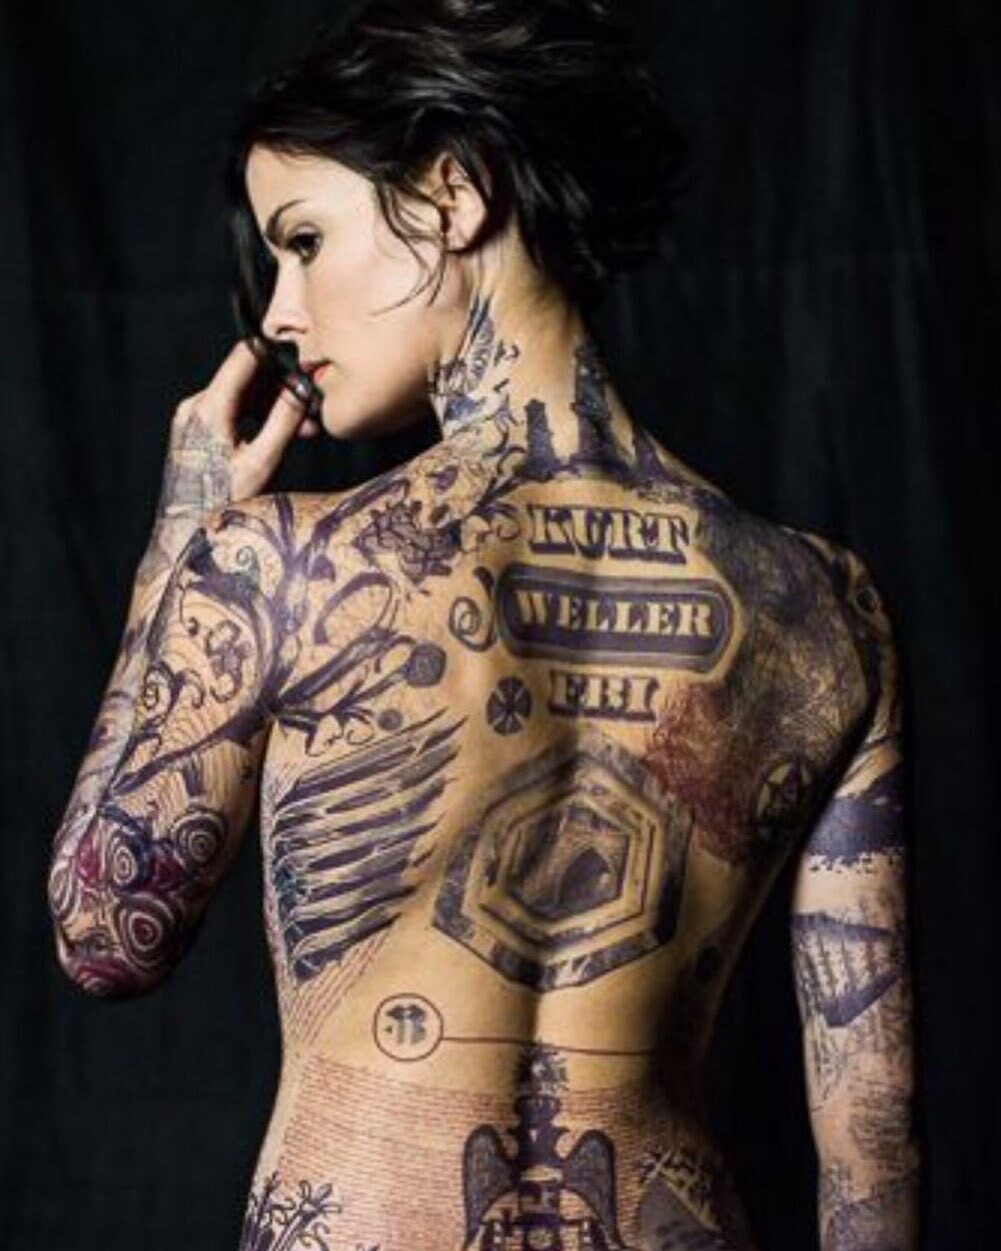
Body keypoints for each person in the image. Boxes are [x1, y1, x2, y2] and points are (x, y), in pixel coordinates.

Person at [45, 1, 922, 1247]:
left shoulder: (275, 562)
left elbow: (104, 940)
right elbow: (870, 1135)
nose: (279, 312)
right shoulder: (820, 604)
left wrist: (177, 547)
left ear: (452, 196)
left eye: (304, 240)